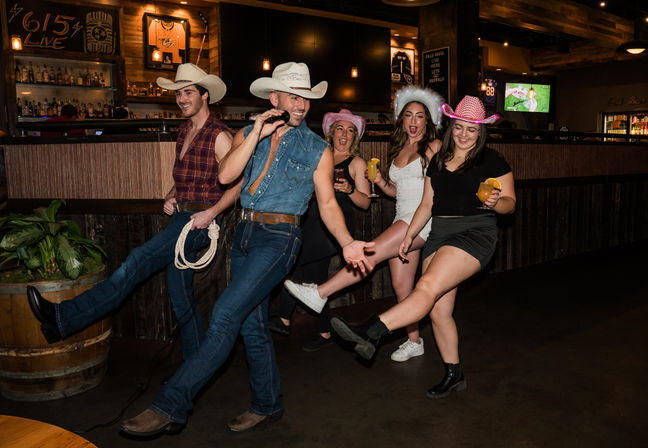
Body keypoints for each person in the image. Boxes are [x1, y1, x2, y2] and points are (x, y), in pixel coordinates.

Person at [118, 62, 374, 437]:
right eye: (293, 97)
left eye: (306, 99)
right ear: (275, 98)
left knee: (224, 314)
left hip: (281, 239)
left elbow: (329, 204)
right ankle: (268, 405)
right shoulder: (247, 133)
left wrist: (348, 242)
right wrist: (255, 133)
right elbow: (224, 176)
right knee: (252, 326)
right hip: (245, 234)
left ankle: (171, 404)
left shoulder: (317, 148)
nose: (301, 105)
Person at [27, 63, 239, 362]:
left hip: (199, 222)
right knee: (181, 300)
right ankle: (196, 370)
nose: (181, 99)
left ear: (205, 95)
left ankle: (63, 317)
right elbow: (184, 179)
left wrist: (211, 214)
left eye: (188, 92)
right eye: (179, 93)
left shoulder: (220, 135)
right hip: (181, 216)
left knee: (138, 260)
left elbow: (238, 185)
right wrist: (171, 196)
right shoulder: (183, 130)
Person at [330, 95, 516, 399]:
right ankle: (454, 374)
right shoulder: (438, 160)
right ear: (451, 126)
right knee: (440, 312)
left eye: (472, 130)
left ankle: (372, 330)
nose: (464, 135)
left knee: (426, 285)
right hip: (440, 233)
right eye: (459, 128)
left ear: (481, 132)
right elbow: (427, 203)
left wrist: (497, 202)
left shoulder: (491, 160)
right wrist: (408, 236)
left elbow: (510, 205)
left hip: (474, 233)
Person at [284, 86, 447, 362]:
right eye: (408, 115)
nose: (413, 121)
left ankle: (320, 293)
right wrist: (383, 183)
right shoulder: (400, 149)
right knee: (401, 287)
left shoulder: (433, 146)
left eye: (420, 116)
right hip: (402, 216)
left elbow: (441, 185)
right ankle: (414, 340)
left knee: (369, 251)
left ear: (427, 121)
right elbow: (400, 191)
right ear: (402, 120)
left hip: (422, 220)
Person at [270, 109, 371, 351]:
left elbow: (365, 202)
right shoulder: (319, 156)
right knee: (314, 279)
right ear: (331, 133)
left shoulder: (356, 163)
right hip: (310, 220)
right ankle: (324, 333)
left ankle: (284, 317)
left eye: (350, 130)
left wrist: (348, 189)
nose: (344, 134)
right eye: (340, 129)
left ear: (354, 136)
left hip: (333, 226)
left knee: (297, 269)